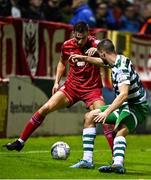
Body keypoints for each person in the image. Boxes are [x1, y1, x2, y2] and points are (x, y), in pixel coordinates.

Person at [3, 22, 115, 168]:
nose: (79, 41)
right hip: (71, 87)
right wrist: (56, 82)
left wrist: (97, 54)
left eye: (82, 38)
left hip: (92, 89)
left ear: (89, 34)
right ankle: (20, 142)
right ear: (74, 34)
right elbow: (62, 62)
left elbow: (109, 62)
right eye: (77, 38)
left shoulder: (97, 45)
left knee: (105, 119)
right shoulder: (67, 45)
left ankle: (116, 159)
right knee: (45, 108)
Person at [69, 38, 149, 173]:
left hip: (137, 107)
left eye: (100, 54)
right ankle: (87, 161)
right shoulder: (117, 60)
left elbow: (123, 94)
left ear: (103, 53)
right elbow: (104, 63)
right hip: (125, 105)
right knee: (89, 117)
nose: (100, 57)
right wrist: (85, 58)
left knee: (121, 129)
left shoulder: (121, 69)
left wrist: (106, 112)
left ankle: (118, 164)